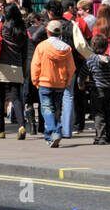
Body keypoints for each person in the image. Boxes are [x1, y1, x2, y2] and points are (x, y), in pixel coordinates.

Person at [30, 19, 76, 148]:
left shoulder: (42, 46)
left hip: (45, 81)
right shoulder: (67, 48)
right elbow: (71, 68)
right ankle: (50, 136)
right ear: (60, 32)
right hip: (60, 83)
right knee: (55, 109)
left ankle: (54, 131)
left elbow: (35, 65)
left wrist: (35, 80)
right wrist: (66, 80)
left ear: (47, 32)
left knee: (46, 109)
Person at [0, 0, 28, 139]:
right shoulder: (23, 30)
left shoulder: (1, 26)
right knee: (16, 97)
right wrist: (24, 71)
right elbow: (24, 53)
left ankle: (1, 130)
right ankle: (21, 125)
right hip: (16, 66)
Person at [84, 34, 110, 144]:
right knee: (107, 112)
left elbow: (83, 73)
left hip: (96, 91)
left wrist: (81, 83)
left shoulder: (90, 60)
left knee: (98, 113)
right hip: (108, 90)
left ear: (92, 46)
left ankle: (101, 136)